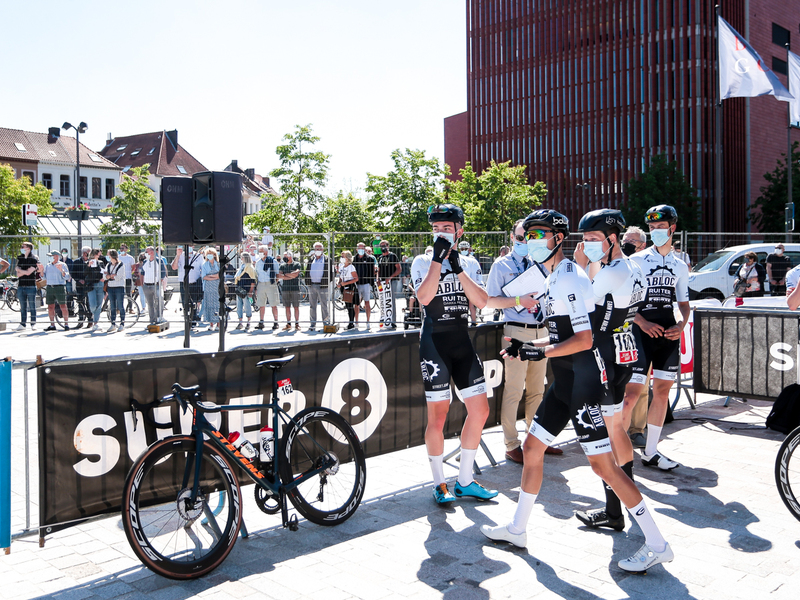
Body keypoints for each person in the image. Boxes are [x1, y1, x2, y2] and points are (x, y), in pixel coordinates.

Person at [481, 209, 673, 573]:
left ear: (557, 238)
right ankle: (518, 528)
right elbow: (561, 335)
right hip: (565, 378)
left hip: (583, 379)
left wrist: (538, 350)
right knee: (532, 447)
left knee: (603, 466)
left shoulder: (569, 277)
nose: (533, 241)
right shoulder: (555, 276)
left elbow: (584, 340)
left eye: (540, 235)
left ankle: (658, 542)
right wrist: (529, 344)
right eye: (529, 235)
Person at [412, 203, 497, 505]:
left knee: (481, 410)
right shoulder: (422, 260)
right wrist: (438, 260)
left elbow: (482, 301)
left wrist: (458, 267)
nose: (441, 232)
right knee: (439, 415)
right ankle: (439, 483)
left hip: (462, 342)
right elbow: (423, 297)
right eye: (436, 228)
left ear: (460, 230)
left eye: (447, 228)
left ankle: (464, 480)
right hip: (435, 343)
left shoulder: (469, 262)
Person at [572, 209, 649, 533]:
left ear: (612, 239)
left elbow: (578, 303)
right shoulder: (634, 266)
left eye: (592, 240)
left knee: (603, 438)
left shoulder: (610, 274)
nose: (586, 245)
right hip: (624, 350)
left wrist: (579, 267)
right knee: (616, 428)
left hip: (604, 356)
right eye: (584, 240)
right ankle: (623, 497)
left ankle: (616, 510)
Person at [485, 219, 561, 463]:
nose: (524, 243)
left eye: (528, 238)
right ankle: (511, 445)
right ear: (511, 237)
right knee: (515, 390)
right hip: (516, 331)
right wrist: (519, 300)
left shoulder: (541, 262)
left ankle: (536, 440)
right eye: (519, 238)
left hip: (541, 330)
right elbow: (490, 301)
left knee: (538, 390)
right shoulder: (501, 265)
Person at [622, 205, 690, 471]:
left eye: (660, 227)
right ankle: (619, 451)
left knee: (661, 392)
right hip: (641, 331)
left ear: (672, 229)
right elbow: (625, 301)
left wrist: (681, 325)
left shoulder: (680, 265)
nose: (655, 232)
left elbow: (684, 304)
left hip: (668, 331)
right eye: (651, 228)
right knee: (631, 395)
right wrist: (642, 322)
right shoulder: (637, 260)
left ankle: (651, 452)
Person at [620, 226, 649, 447]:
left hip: (641, 331)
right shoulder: (614, 264)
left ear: (643, 245)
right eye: (625, 240)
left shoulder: (647, 266)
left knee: (641, 384)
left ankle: (637, 428)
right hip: (618, 331)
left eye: (632, 241)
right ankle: (615, 430)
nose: (627, 244)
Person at [305, 242, 334, 331]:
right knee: (312, 306)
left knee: (324, 305)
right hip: (312, 285)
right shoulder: (311, 259)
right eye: (316, 249)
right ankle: (312, 324)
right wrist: (307, 282)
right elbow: (307, 270)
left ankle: (325, 323)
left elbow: (332, 272)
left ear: (323, 250)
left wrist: (327, 282)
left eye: (320, 249)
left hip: (323, 286)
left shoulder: (327, 259)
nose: (318, 250)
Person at [172, 246, 203, 325]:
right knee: (185, 303)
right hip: (184, 283)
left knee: (194, 303)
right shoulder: (180, 255)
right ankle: (187, 321)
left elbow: (202, 269)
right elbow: (174, 267)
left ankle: (193, 321)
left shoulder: (198, 256)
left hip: (195, 283)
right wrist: (178, 255)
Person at [14, 242, 42, 331]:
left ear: (28, 248)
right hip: (21, 285)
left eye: (23, 247)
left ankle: (33, 323)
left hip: (31, 286)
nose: (22, 248)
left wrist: (20, 270)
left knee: (32, 305)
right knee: (23, 306)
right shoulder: (20, 258)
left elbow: (29, 272)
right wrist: (23, 271)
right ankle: (23, 324)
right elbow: (18, 275)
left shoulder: (33, 259)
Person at [376, 240, 401, 328]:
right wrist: (377, 278)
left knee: (391, 300)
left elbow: (399, 269)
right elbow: (378, 270)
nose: (383, 247)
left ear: (388, 246)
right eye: (381, 246)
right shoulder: (380, 258)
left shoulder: (393, 256)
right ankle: (384, 319)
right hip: (382, 282)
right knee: (383, 300)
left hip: (392, 281)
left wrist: (390, 277)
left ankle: (393, 321)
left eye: (385, 245)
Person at [254, 245, 280, 330]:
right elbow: (256, 274)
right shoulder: (258, 263)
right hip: (261, 284)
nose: (260, 253)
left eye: (262, 251)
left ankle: (276, 322)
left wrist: (273, 283)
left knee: (273, 304)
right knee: (261, 304)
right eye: (259, 251)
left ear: (266, 252)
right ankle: (261, 322)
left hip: (271, 284)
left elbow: (277, 274)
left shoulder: (273, 261)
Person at [43, 251, 70, 331]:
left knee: (63, 306)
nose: (50, 257)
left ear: (56, 256)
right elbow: (44, 277)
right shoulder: (47, 265)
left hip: (60, 287)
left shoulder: (63, 265)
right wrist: (41, 271)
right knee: (50, 306)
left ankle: (66, 324)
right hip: (50, 287)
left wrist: (62, 271)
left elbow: (67, 277)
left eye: (52, 256)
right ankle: (52, 325)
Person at [353, 242, 377, 328]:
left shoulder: (370, 259)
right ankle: (356, 322)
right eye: (359, 248)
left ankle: (368, 322)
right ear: (356, 249)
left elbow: (372, 272)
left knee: (367, 303)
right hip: (356, 284)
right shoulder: (353, 259)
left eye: (362, 248)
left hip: (366, 284)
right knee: (356, 304)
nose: (361, 250)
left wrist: (371, 283)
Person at [141, 246, 166, 327]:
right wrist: (142, 284)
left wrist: (160, 281)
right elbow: (142, 273)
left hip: (156, 285)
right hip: (146, 285)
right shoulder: (145, 261)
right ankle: (152, 320)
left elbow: (163, 272)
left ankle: (159, 317)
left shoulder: (159, 260)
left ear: (152, 252)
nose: (146, 253)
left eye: (147, 251)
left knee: (159, 301)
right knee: (150, 304)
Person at [278, 250, 302, 330]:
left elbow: (296, 274)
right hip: (285, 288)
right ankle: (288, 323)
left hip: (295, 288)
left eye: (286, 256)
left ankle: (297, 323)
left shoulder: (296, 264)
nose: (284, 258)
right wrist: (290, 275)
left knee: (296, 307)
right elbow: (280, 276)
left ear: (290, 256)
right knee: (287, 307)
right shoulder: (282, 265)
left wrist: (286, 275)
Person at [233, 252, 257, 330]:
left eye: (242, 257)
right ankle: (240, 322)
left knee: (247, 306)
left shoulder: (250, 267)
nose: (241, 259)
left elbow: (253, 280)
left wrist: (251, 291)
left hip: (246, 290)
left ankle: (248, 322)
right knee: (239, 306)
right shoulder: (242, 267)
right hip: (239, 289)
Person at [104, 249, 126, 332]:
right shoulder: (108, 265)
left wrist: (110, 276)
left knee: (120, 305)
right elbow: (104, 276)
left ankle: (122, 323)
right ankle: (113, 323)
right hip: (110, 286)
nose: (107, 256)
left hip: (119, 287)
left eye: (108, 255)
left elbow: (118, 277)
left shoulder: (121, 265)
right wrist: (111, 276)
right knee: (112, 306)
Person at [338, 250, 360, 330]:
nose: (342, 258)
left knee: (350, 306)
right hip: (344, 287)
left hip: (350, 287)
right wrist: (339, 283)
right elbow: (341, 277)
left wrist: (346, 283)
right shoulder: (341, 267)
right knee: (347, 306)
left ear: (347, 258)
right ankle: (351, 322)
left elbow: (356, 278)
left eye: (343, 256)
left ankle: (351, 323)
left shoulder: (351, 267)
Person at [85, 249, 105, 333]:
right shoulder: (87, 263)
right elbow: (84, 273)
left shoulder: (100, 262)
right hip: (91, 285)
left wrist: (103, 277)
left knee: (99, 304)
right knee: (93, 305)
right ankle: (93, 316)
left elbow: (104, 271)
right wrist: (88, 266)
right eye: (98, 254)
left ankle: (95, 323)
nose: (99, 255)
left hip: (100, 284)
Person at [201, 248, 221, 331]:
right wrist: (214, 276)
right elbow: (204, 277)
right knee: (209, 304)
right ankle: (211, 324)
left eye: (211, 253)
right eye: (208, 253)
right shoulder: (204, 265)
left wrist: (210, 276)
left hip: (217, 287)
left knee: (218, 304)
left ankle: (218, 324)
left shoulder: (218, 264)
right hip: (208, 287)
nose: (209, 255)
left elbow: (219, 275)